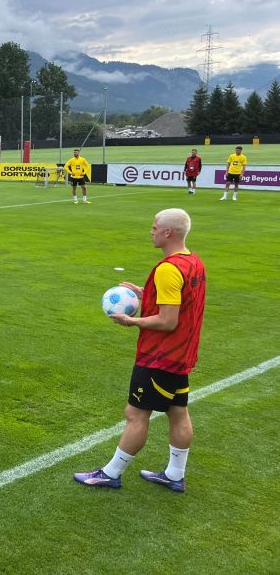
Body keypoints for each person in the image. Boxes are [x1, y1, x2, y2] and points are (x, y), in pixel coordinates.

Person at [74, 208, 206, 492]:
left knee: (136, 414)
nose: (152, 230)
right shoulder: (193, 262)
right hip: (181, 356)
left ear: (168, 232)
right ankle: (174, 475)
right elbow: (181, 304)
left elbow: (168, 321)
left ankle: (111, 474)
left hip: (160, 357)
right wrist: (148, 294)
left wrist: (130, 320)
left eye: (155, 226)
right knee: (178, 412)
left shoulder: (168, 269)